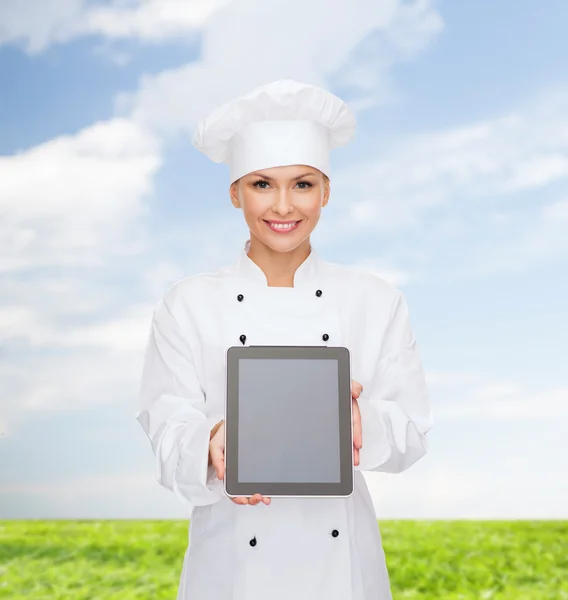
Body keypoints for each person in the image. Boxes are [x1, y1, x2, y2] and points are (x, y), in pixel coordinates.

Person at [136, 79, 433, 600]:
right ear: (234, 192)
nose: (283, 206)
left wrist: (362, 423)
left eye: (302, 184)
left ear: (326, 191)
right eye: (261, 184)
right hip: (230, 567)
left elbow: (411, 433)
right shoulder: (187, 304)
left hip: (341, 571)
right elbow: (166, 425)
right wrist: (210, 444)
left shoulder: (375, 299)